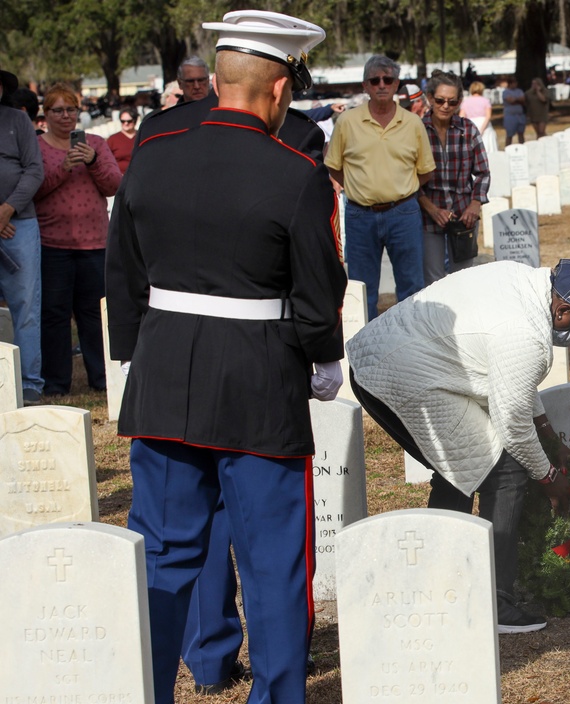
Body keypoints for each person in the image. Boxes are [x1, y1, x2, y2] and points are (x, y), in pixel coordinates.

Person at [106, 10, 346, 704]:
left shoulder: (151, 151)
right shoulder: (296, 173)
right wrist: (323, 359)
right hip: (257, 383)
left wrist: (131, 353)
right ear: (277, 91)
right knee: (272, 563)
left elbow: (122, 266)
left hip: (164, 377)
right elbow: (316, 285)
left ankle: (151, 687)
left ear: (215, 81)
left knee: (162, 553)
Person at [347, 258, 570, 633]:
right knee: (506, 472)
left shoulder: (522, 282)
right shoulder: (527, 334)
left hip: (383, 357)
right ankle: (497, 603)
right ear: (563, 309)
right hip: (397, 374)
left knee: (461, 466)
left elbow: (512, 383)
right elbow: (511, 424)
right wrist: (549, 477)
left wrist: (551, 439)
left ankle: (438, 584)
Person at [325, 54, 435, 322]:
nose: (382, 85)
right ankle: (366, 354)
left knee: (411, 287)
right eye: (375, 80)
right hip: (360, 215)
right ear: (365, 85)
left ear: (397, 84)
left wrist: (400, 190)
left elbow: (426, 171)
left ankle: (411, 351)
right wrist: (361, 186)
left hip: (404, 213)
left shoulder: (412, 123)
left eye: (388, 79)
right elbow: (334, 165)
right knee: (363, 290)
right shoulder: (347, 122)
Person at [33, 84, 121, 396]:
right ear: (46, 114)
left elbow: (115, 186)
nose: (65, 116)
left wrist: (94, 160)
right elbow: (35, 189)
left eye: (70, 109)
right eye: (58, 110)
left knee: (95, 315)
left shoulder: (95, 142)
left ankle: (102, 378)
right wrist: (63, 167)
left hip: (95, 245)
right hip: (52, 244)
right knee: (55, 315)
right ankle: (56, 382)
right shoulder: (38, 147)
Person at [417, 71, 490, 285]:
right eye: (440, 100)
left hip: (463, 213)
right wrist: (431, 209)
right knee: (433, 281)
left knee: (463, 279)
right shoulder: (417, 130)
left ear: (459, 102)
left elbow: (483, 172)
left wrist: (475, 204)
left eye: (452, 101)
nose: (445, 106)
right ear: (430, 98)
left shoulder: (468, 130)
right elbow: (409, 178)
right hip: (429, 213)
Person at [0, 62, 45, 405]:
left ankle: (30, 384)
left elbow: (34, 170)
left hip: (20, 224)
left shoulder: (18, 121)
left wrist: (7, 208)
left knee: (26, 307)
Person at [459, 80, 497, 153]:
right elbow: (488, 116)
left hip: (471, 125)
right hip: (484, 125)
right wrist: (482, 129)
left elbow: (461, 117)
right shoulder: (485, 101)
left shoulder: (466, 102)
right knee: (488, 149)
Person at [106, 106, 139, 173]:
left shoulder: (141, 136)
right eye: (123, 121)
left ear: (135, 120)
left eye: (129, 121)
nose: (126, 123)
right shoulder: (112, 140)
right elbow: (106, 161)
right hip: (120, 176)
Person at [502, 76, 527, 146]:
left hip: (520, 115)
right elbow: (510, 100)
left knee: (521, 133)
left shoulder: (519, 91)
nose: (515, 85)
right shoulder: (506, 92)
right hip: (510, 116)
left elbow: (523, 99)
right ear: (510, 84)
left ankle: (522, 147)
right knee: (509, 134)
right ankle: (508, 147)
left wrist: (515, 100)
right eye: (514, 83)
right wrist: (518, 100)